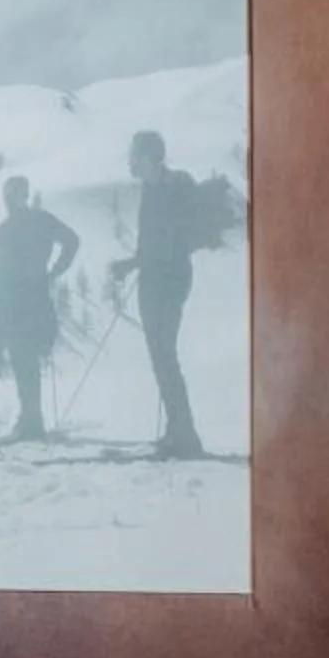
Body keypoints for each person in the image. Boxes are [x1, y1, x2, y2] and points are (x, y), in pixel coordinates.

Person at [118, 129, 207, 459]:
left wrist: (147, 262)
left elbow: (179, 237)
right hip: (155, 279)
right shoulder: (151, 189)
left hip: (168, 280)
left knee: (165, 356)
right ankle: (178, 430)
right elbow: (152, 244)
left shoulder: (175, 186)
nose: (130, 162)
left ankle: (185, 435)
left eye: (134, 155)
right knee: (162, 357)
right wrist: (130, 265)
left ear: (150, 156)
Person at [0, 176, 77, 440]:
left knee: (23, 357)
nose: (12, 202)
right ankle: (30, 417)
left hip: (16, 298)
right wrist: (55, 271)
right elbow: (71, 241)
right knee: (26, 358)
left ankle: (31, 420)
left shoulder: (8, 228)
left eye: (13, 197)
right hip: (32, 295)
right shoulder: (40, 221)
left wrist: (54, 271)